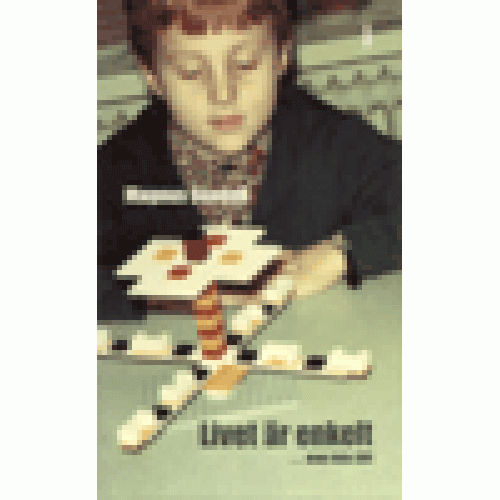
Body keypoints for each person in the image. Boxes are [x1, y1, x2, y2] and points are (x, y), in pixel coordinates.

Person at [98, 0, 401, 323]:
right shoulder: (114, 172)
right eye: (191, 72)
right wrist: (156, 297)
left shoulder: (336, 145)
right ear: (153, 76)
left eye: (245, 64)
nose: (223, 95)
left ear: (282, 57)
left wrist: (340, 254)